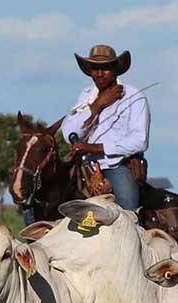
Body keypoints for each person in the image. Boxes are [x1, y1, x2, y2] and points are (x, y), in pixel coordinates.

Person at [59, 44, 150, 211]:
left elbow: (140, 141)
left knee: (128, 213)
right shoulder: (86, 95)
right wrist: (97, 105)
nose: (100, 74)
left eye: (105, 68)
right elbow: (68, 132)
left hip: (118, 167)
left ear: (115, 68)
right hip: (85, 167)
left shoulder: (134, 97)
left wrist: (92, 147)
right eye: (95, 68)